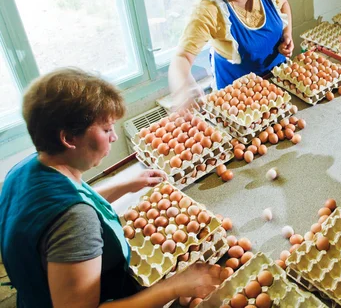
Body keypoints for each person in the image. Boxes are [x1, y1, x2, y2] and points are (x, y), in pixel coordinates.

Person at [0, 69, 220, 307]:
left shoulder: (24, 170)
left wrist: (124, 185)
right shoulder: (75, 222)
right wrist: (175, 286)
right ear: (69, 139)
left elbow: (65, 200)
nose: (114, 137)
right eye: (106, 130)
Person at [169, 0, 294, 102]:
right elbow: (181, 58)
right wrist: (186, 88)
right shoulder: (209, 7)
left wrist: (287, 33)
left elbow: (283, 4)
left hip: (278, 77)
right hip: (239, 94)